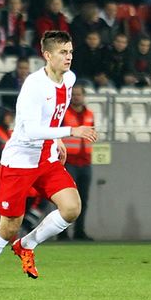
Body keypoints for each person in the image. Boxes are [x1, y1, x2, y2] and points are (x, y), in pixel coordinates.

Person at [0, 31, 98, 294]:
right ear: (47, 55)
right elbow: (28, 130)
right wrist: (69, 133)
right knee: (8, 227)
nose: (69, 57)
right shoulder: (33, 85)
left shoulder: (69, 79)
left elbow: (54, 117)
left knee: (71, 208)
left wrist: (57, 139)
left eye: (71, 51)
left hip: (47, 159)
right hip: (20, 162)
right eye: (63, 52)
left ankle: (26, 245)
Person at [60, 86, 94, 241]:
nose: (76, 97)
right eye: (73, 95)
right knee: (66, 199)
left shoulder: (90, 114)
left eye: (78, 94)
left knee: (83, 199)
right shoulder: (64, 114)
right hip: (70, 162)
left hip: (85, 162)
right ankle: (63, 232)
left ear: (84, 96)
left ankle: (79, 231)